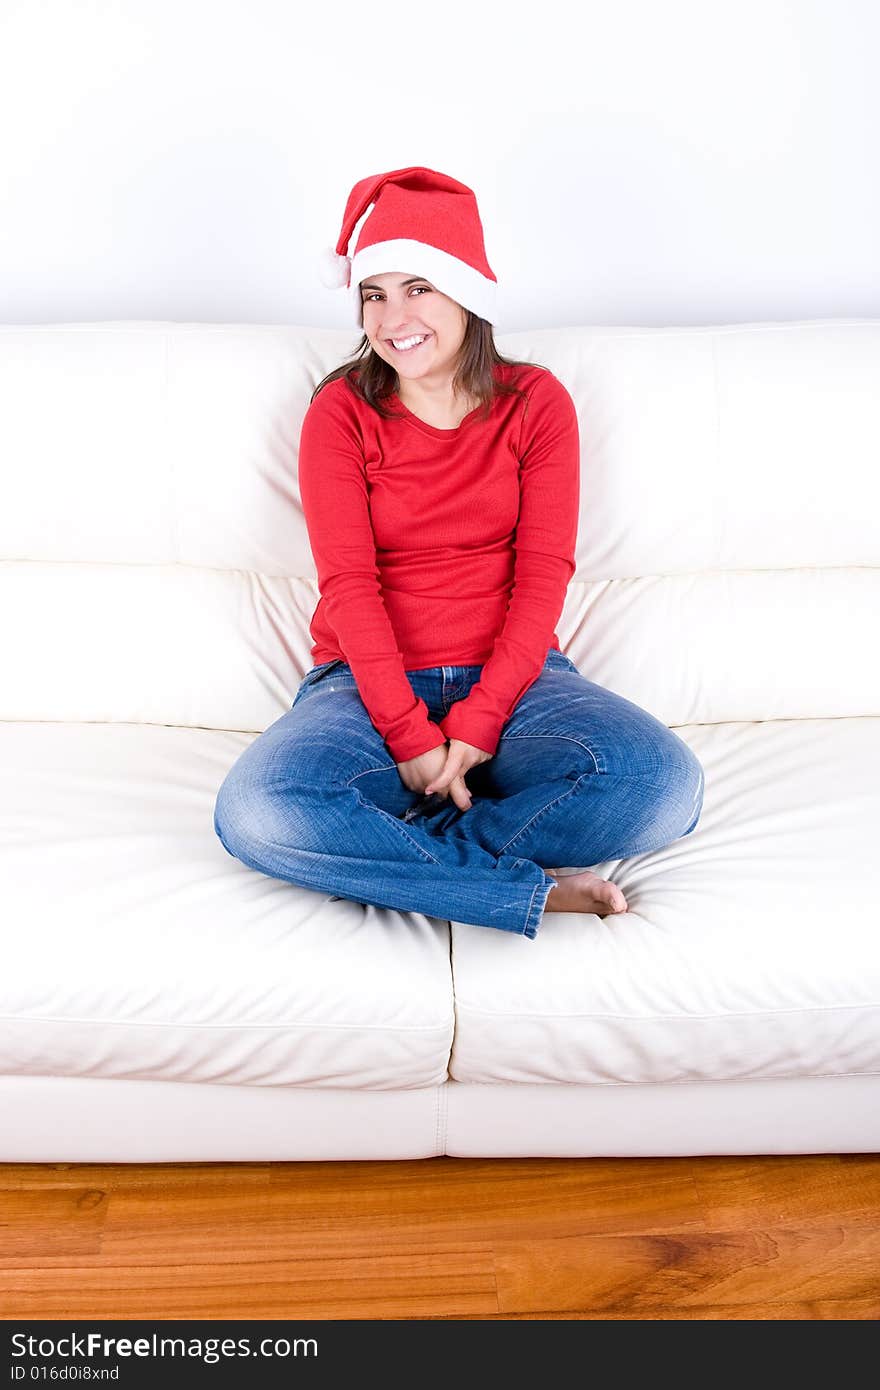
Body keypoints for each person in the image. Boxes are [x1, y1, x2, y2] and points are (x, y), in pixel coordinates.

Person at [213, 166, 704, 939]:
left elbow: (543, 575)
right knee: (258, 813)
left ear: (465, 292)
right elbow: (349, 583)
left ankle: (411, 862)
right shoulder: (341, 412)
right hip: (364, 688)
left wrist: (475, 726)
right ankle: (519, 890)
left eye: (417, 288)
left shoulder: (535, 403)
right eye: (373, 294)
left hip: (519, 683)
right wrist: (409, 736)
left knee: (663, 786)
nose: (391, 317)